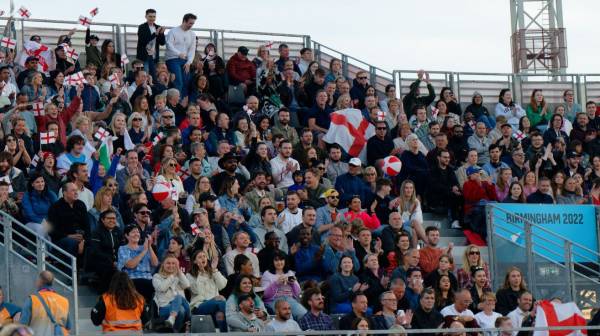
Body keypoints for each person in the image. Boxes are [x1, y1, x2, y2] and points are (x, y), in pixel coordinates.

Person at [20, 271, 72, 336]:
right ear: (52, 282)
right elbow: (68, 327)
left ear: (40, 281)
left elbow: (22, 327)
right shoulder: (64, 301)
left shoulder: (32, 299)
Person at [118, 225, 159, 304]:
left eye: (138, 232)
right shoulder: (123, 248)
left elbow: (155, 263)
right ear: (126, 236)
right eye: (133, 232)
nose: (136, 234)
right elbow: (131, 265)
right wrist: (144, 251)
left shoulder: (145, 247)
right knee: (146, 285)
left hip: (148, 279)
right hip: (131, 279)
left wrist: (149, 246)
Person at [47, 182, 88, 258]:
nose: (76, 193)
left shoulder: (81, 204)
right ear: (65, 193)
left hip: (81, 237)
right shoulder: (55, 207)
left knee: (94, 242)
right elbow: (51, 231)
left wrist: (83, 240)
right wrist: (68, 236)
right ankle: (69, 269)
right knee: (71, 242)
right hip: (62, 239)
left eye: (76, 190)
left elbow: (87, 226)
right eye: (73, 190)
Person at [260, 251, 306, 320]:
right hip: (274, 301)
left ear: (285, 261)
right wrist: (276, 283)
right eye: (276, 260)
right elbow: (265, 295)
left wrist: (292, 283)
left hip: (290, 299)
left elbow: (298, 293)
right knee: (288, 317)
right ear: (272, 261)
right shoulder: (267, 274)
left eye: (281, 260)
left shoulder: (289, 272)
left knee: (303, 314)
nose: (279, 262)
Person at [88, 210, 123, 293]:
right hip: (101, 262)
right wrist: (112, 262)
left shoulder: (118, 231)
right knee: (111, 271)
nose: (112, 220)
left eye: (114, 218)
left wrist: (119, 261)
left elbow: (122, 247)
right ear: (103, 220)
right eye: (109, 218)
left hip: (117, 261)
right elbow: (95, 251)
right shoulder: (97, 232)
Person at [152, 255, 191, 331]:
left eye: (174, 263)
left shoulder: (178, 276)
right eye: (168, 263)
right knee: (181, 308)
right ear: (163, 264)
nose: (171, 265)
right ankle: (176, 329)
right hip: (164, 307)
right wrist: (172, 276)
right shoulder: (157, 277)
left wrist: (179, 272)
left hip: (182, 306)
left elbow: (187, 285)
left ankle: (172, 320)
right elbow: (162, 288)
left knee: (179, 299)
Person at [165, 13, 196, 98]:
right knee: (178, 81)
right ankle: (175, 102)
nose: (191, 25)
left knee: (186, 81)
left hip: (185, 61)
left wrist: (189, 62)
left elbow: (192, 50)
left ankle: (183, 103)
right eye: (190, 23)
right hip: (172, 59)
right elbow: (169, 45)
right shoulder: (173, 31)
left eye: (193, 23)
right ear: (184, 21)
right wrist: (178, 53)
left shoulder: (192, 34)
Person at [136, 9, 166, 79]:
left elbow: (162, 43)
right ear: (146, 16)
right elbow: (143, 41)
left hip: (154, 56)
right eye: (150, 16)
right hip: (144, 56)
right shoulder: (142, 27)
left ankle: (152, 89)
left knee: (154, 77)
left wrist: (161, 34)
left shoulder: (158, 27)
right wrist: (155, 34)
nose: (152, 18)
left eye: (154, 16)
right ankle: (145, 89)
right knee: (145, 76)